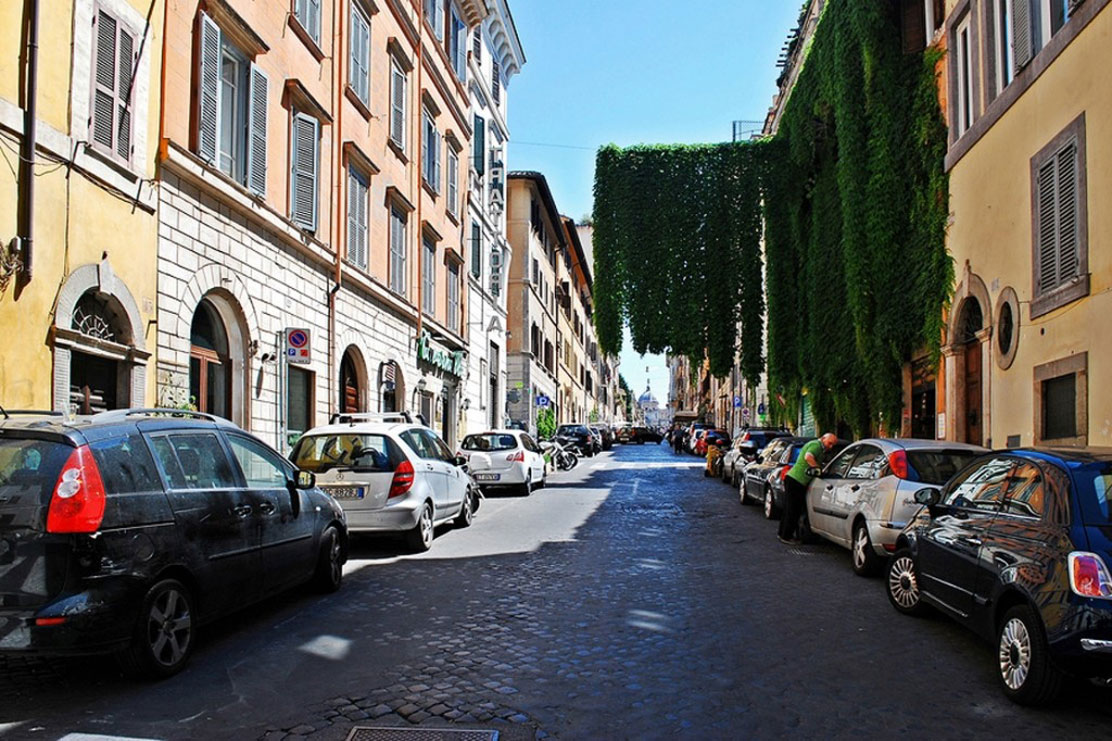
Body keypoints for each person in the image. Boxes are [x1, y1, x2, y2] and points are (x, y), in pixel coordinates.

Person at [778, 432, 838, 545]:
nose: (830, 447)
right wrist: (817, 469)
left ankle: (782, 533)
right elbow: (808, 457)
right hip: (797, 480)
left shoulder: (818, 447)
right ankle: (787, 536)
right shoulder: (816, 446)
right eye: (830, 443)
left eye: (833, 445)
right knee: (793, 510)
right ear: (823, 438)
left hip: (793, 479)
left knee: (789, 508)